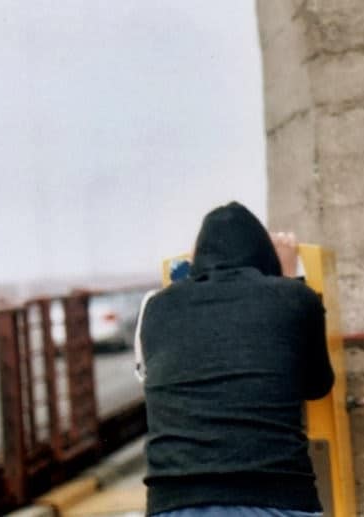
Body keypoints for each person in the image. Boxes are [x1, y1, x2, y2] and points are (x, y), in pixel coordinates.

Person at [137, 201, 335, 517]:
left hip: (173, 503)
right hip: (275, 497)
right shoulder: (295, 298)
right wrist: (285, 279)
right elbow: (317, 384)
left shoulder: (157, 309)